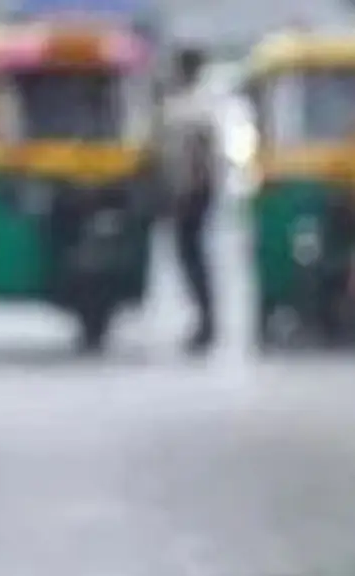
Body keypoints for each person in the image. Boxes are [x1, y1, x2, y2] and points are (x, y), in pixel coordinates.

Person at [158, 47, 218, 354]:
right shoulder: (186, 104)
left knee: (193, 259)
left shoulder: (193, 107)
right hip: (188, 193)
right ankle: (204, 321)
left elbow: (199, 160)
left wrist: (188, 193)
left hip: (191, 195)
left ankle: (207, 323)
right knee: (190, 258)